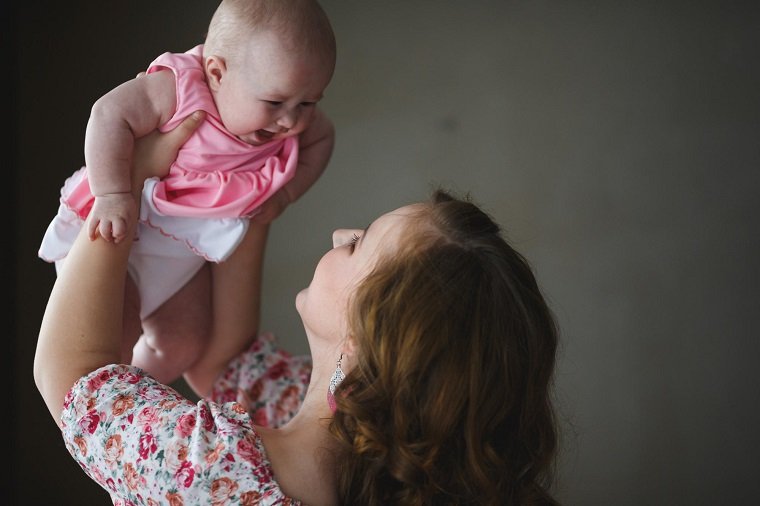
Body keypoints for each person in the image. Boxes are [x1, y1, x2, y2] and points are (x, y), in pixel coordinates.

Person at [34, 115, 561, 504]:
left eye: (358, 244)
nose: (339, 233)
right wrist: (256, 201)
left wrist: (128, 181)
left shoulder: (211, 471)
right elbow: (228, 363)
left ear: (362, 338)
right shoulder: (359, 446)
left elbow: (75, 374)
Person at [37, 0, 337, 390]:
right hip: (125, 227)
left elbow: (323, 139)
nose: (291, 121)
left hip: (183, 250)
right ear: (217, 73)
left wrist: (286, 195)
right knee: (117, 335)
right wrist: (112, 194)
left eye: (308, 103)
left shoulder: (296, 126)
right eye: (275, 102)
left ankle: (138, 407)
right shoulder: (180, 90)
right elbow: (108, 115)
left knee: (183, 342)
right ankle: (104, 404)